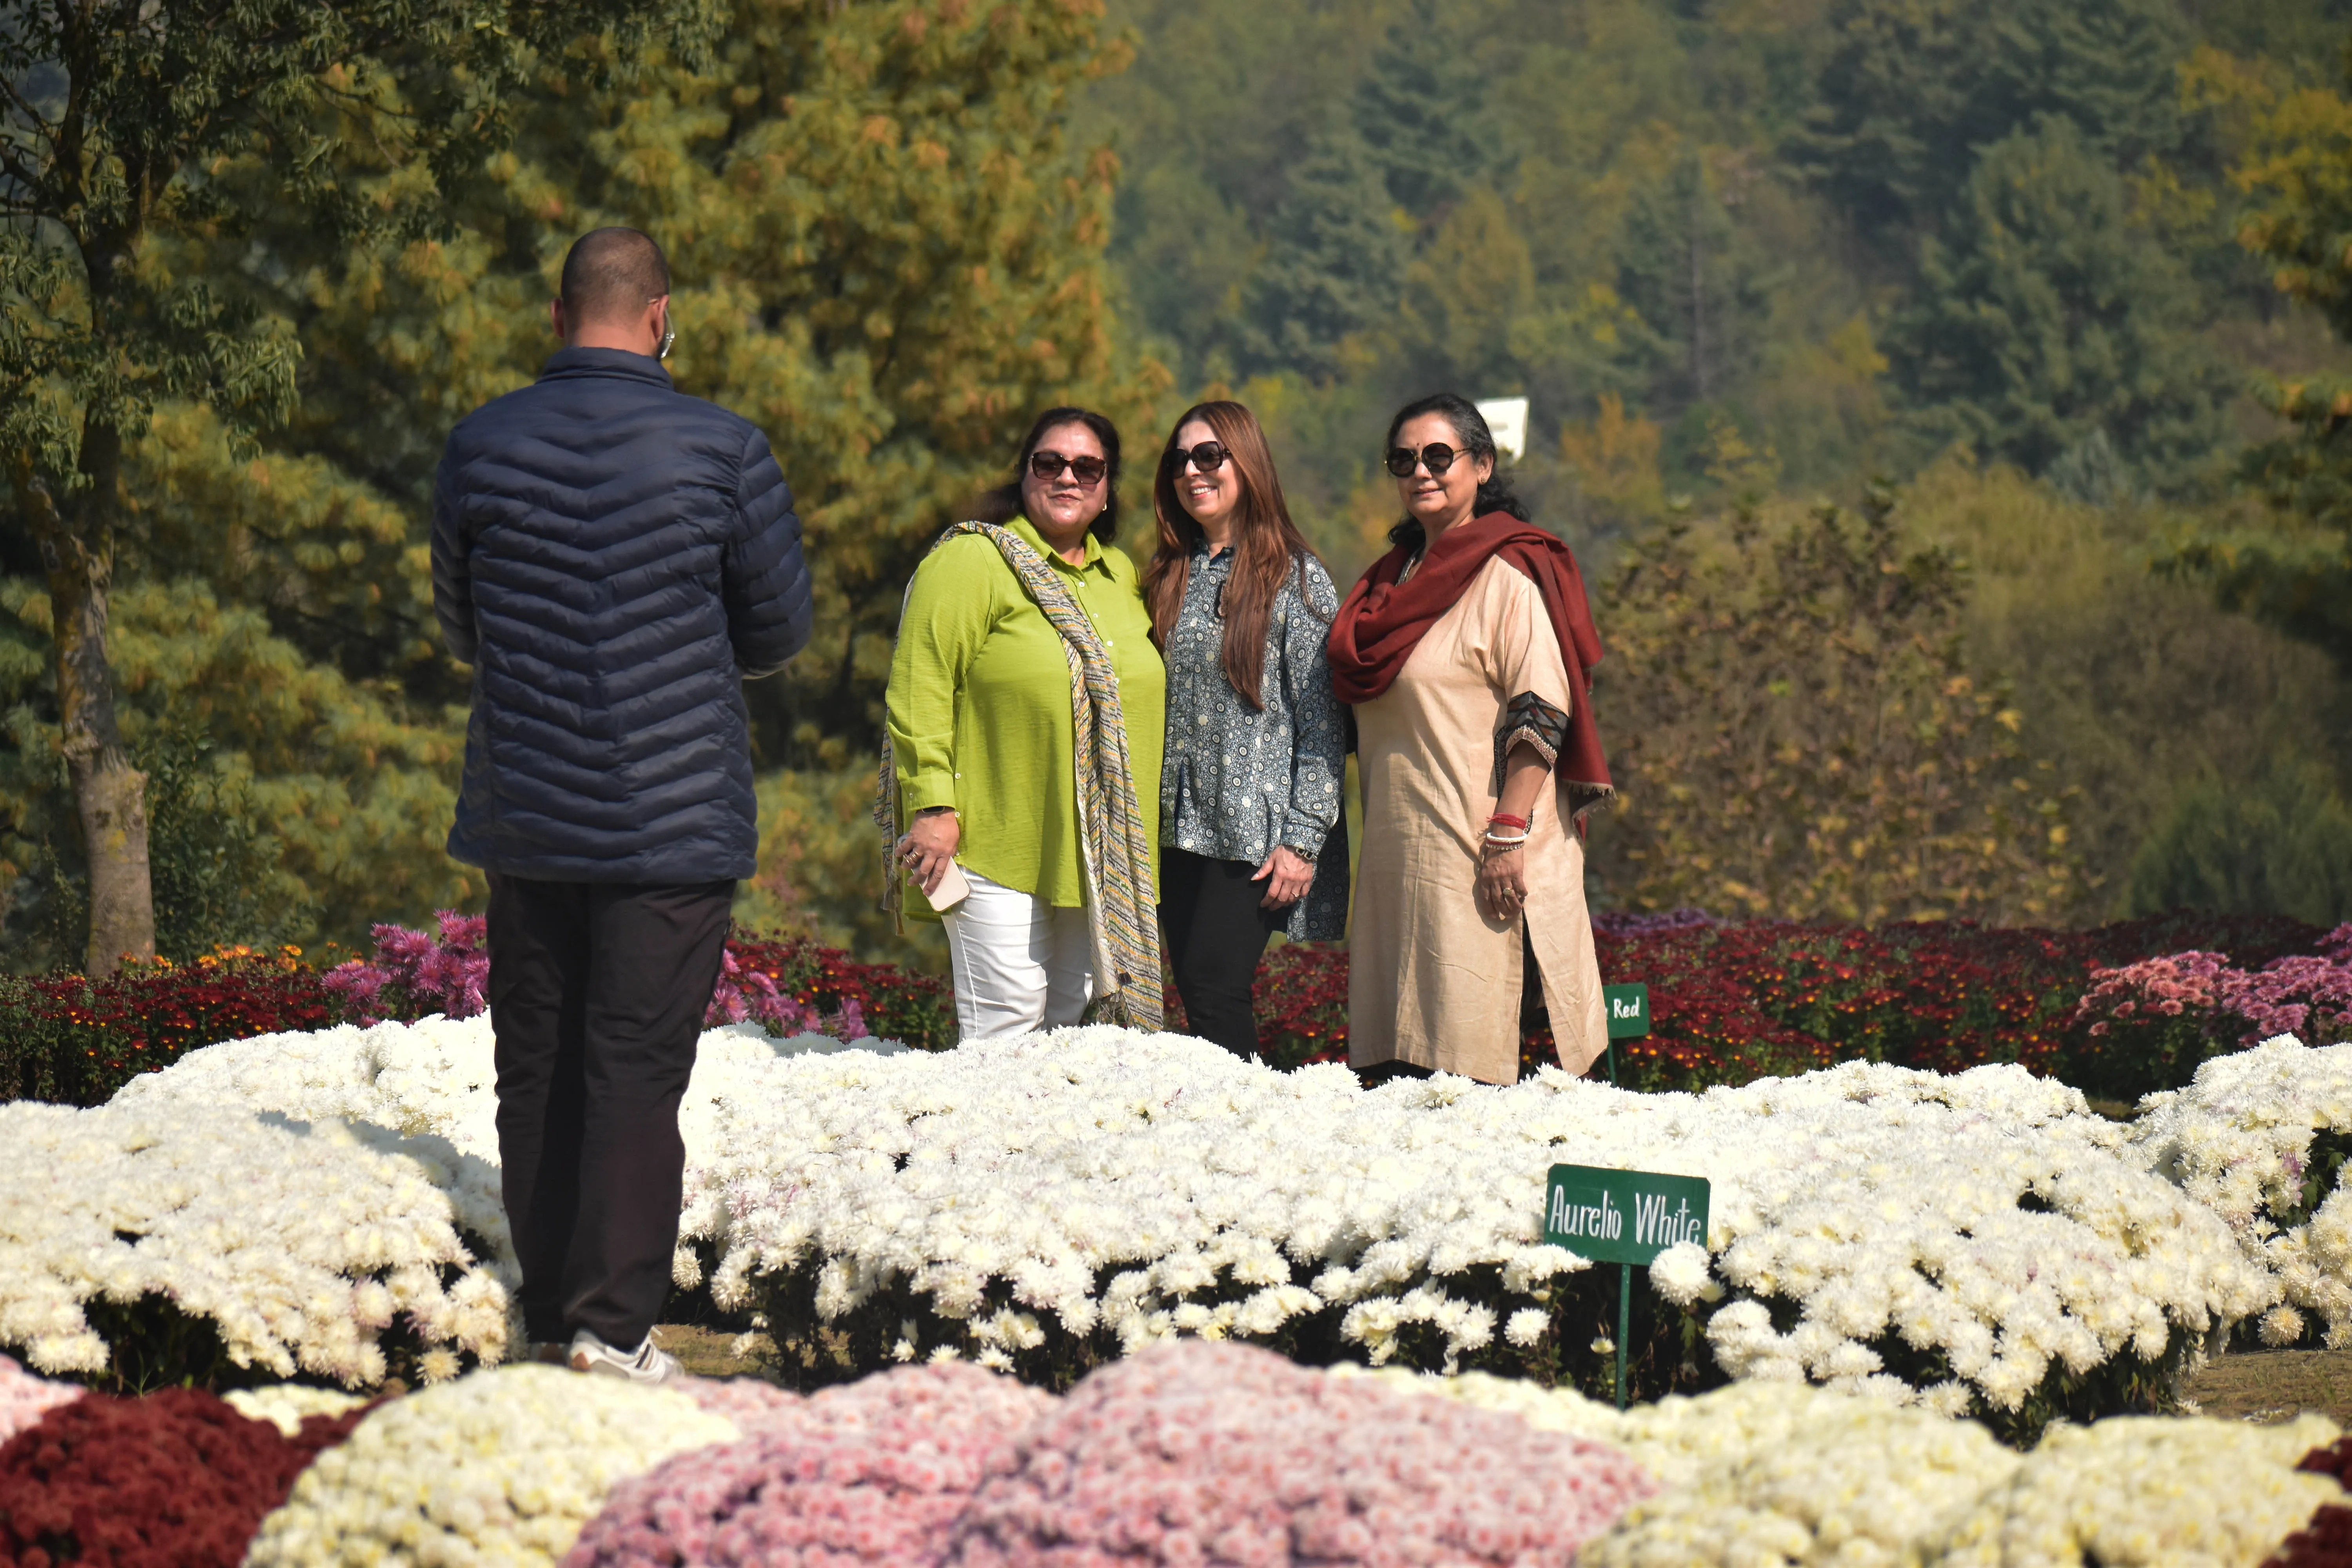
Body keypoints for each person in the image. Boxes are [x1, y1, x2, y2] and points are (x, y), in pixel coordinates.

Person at [431, 227, 813, 1383]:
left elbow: (459, 626)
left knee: (536, 1062)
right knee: (636, 1070)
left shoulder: (481, 444)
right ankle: (614, 1330)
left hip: (528, 807)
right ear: (662, 318)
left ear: (559, 318)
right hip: (671, 813)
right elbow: (781, 629)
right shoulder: (724, 449)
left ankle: (548, 1316)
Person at [1327, 393, 1612, 1085]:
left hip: (1489, 853)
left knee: (1498, 1068)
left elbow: (1544, 710)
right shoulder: (1384, 590)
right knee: (1409, 1072)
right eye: (1404, 459)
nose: (1420, 472)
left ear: (1481, 466)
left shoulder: (1506, 575)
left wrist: (1509, 833)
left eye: (1438, 456)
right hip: (1403, 864)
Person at [882, 408, 1166, 1040]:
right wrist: (931, 805)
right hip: (991, 843)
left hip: (1094, 851)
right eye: (1050, 463)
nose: (1068, 477)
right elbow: (918, 685)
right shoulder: (973, 562)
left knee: (1067, 1026)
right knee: (1006, 1024)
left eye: (1087, 467)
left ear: (1108, 486)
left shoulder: (1120, 576)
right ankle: (972, 1144)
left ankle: (1037, 1145)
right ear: (1025, 473)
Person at [1141, 401, 1348, 1056]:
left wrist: (1304, 841)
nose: (1192, 472)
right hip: (1174, 826)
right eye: (1179, 460)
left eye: (1209, 456)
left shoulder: (1297, 576)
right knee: (1192, 992)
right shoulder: (1169, 572)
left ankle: (1252, 1137)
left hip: (1253, 835)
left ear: (1247, 462)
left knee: (1214, 986)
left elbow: (1324, 723)